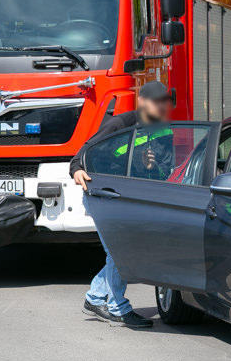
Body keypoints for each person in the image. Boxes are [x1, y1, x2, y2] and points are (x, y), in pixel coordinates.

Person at [71, 80, 172, 329]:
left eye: (164, 102)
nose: (161, 108)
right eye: (156, 102)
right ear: (142, 102)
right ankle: (118, 307)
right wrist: (76, 171)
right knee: (119, 250)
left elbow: (165, 173)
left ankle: (95, 297)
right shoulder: (121, 124)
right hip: (105, 195)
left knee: (120, 251)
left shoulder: (165, 132)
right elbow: (84, 152)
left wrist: (150, 166)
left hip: (134, 199)